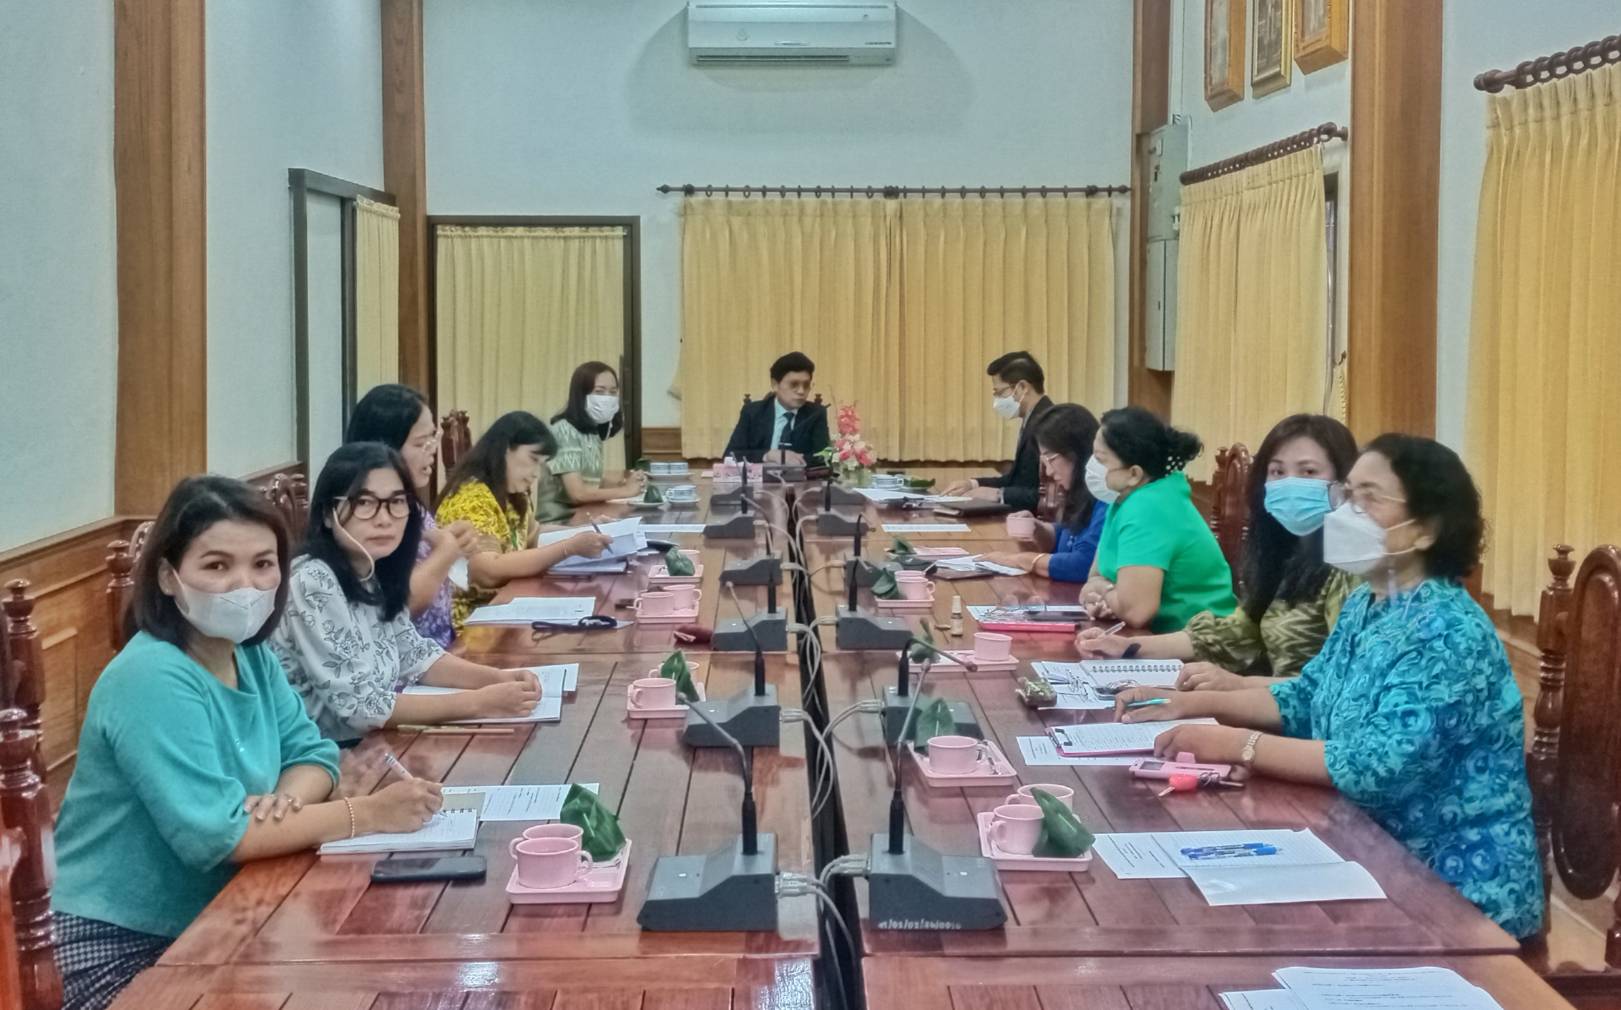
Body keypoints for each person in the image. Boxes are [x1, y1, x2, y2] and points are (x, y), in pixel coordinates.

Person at [1112, 435, 1542, 939]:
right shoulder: (1369, 602)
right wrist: (1189, 703)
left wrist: (1235, 744)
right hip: (1361, 846)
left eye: (1370, 498)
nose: (1347, 513)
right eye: (1347, 495)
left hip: (1455, 884)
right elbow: (1307, 695)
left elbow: (1371, 768)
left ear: (1426, 529)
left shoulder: (1447, 631)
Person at [52, 476, 443, 1010]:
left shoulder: (248, 653)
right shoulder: (151, 676)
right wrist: (368, 814)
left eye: (263, 564)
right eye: (217, 566)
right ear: (167, 576)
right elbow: (217, 835)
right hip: (121, 946)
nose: (245, 585)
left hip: (226, 916)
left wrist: (283, 802)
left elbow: (313, 753)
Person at [270, 443, 543, 743]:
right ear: (327, 514)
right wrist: (480, 702)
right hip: (323, 754)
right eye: (364, 502)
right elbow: (360, 707)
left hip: (371, 745)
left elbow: (414, 654)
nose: (384, 518)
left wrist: (497, 678)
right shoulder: (313, 581)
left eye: (397, 502)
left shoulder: (372, 568)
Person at [1077, 414, 1360, 686]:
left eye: (1308, 471)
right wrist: (1128, 647)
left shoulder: (1350, 566)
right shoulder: (1286, 549)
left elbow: (1341, 685)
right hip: (1268, 701)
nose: (1289, 484)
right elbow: (1240, 631)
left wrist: (1234, 687)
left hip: (1303, 713)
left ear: (1346, 482)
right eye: (1277, 472)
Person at [436, 410, 613, 633]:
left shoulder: (512, 493)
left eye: (541, 464)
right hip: (466, 625)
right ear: (504, 449)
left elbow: (533, 534)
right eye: (533, 460)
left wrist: (584, 531)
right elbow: (488, 570)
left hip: (503, 606)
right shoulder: (471, 498)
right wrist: (569, 547)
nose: (536, 473)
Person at [345, 383, 477, 648]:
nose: (433, 450)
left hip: (441, 648)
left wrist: (447, 539)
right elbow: (397, 608)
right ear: (385, 447)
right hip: (404, 661)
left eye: (433, 438)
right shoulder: (364, 511)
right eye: (421, 443)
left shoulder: (408, 500)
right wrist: (445, 552)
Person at [1081, 406, 1235, 632]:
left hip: (1202, 639)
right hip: (1155, 635)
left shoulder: (1149, 507)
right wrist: (1105, 595)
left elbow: (1137, 610)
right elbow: (1095, 577)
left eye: (1100, 459)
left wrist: (1104, 591)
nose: (1091, 467)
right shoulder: (1123, 500)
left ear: (1134, 474)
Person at [981, 404, 1107, 581]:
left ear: (1076, 452)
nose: (1048, 471)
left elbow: (1084, 564)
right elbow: (1069, 534)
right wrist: (1040, 529)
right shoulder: (1080, 493)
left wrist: (1022, 560)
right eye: (1044, 461)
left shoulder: (1105, 497)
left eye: (1051, 458)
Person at [534, 361, 648, 523]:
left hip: (584, 515)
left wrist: (626, 482)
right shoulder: (564, 430)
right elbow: (578, 494)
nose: (607, 398)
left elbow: (592, 481)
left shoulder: (592, 431)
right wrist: (626, 491)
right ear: (581, 395)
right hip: (559, 523)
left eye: (613, 392)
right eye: (599, 392)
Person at [943, 352, 1056, 510]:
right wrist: (972, 484)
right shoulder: (1033, 419)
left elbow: (1050, 494)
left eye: (1000, 393)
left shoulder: (1050, 424)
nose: (997, 400)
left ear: (1022, 387)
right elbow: (1016, 480)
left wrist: (999, 494)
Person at [721, 351, 830, 464]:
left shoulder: (815, 414)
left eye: (806, 385)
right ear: (775, 385)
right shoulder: (753, 413)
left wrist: (793, 460)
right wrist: (767, 455)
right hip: (761, 475)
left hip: (800, 475)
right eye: (794, 384)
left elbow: (824, 457)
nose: (801, 391)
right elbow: (730, 456)